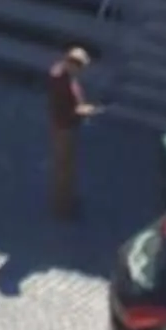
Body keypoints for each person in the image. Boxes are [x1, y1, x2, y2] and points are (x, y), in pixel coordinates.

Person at [47, 44, 99, 219]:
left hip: (65, 125)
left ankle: (66, 202)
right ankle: (63, 208)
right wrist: (85, 110)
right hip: (64, 128)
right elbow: (68, 108)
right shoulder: (63, 83)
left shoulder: (63, 75)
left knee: (67, 167)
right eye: (80, 67)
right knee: (64, 169)